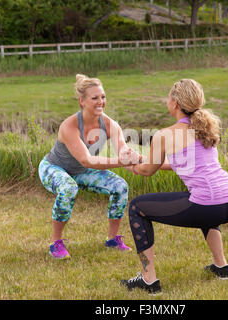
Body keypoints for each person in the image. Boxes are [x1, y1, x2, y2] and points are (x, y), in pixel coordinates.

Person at [120, 79, 228, 294]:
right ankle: (222, 267)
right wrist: (141, 158)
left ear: (175, 103)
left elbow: (148, 171)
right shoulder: (204, 128)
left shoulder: (165, 135)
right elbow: (185, 164)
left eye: (168, 97)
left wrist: (127, 163)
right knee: (202, 198)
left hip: (208, 204)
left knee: (137, 207)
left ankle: (149, 280)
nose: (166, 101)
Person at [38, 74, 141, 259]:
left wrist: (137, 161)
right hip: (54, 168)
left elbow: (123, 153)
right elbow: (87, 160)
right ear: (82, 102)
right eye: (95, 98)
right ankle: (56, 244)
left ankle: (112, 239)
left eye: (103, 97)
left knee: (120, 186)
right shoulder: (69, 126)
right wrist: (122, 161)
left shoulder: (110, 125)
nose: (100, 101)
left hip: (81, 172)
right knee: (68, 188)